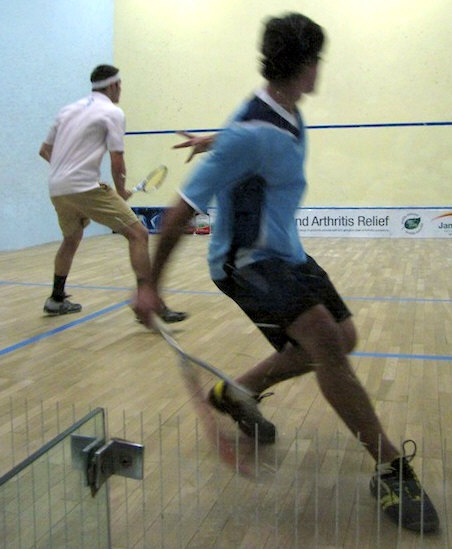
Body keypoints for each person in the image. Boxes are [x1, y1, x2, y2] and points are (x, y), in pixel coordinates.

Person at [147, 14, 439, 532]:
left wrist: (218, 140)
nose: (320, 69)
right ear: (305, 65)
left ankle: (235, 392)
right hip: (245, 262)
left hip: (286, 253)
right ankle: (392, 468)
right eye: (317, 60)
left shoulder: (278, 109)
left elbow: (247, 134)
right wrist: (149, 286)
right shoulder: (250, 133)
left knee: (343, 338)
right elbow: (179, 211)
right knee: (325, 342)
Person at [39, 64, 186, 324]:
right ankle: (148, 302)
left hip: (57, 188)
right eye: (120, 86)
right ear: (113, 85)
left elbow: (44, 151)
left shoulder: (67, 110)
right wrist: (121, 191)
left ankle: (56, 299)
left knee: (71, 238)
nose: (120, 91)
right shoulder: (112, 112)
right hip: (84, 187)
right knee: (138, 234)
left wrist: (66, 173)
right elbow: (117, 159)